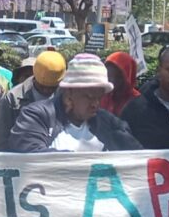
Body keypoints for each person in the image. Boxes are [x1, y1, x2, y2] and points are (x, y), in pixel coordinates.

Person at [10, 53, 141, 152]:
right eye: (89, 96)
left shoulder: (109, 123)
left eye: (99, 97)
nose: (95, 104)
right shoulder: (37, 117)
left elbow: (136, 156)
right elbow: (27, 157)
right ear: (68, 93)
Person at [0, 51, 66, 151]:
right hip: (22, 161)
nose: (46, 90)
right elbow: (2, 140)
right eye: (42, 86)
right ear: (35, 75)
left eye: (52, 87)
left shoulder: (68, 97)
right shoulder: (13, 97)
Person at [100, 51, 140, 116]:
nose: (112, 80)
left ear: (129, 77)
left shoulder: (137, 102)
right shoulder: (100, 96)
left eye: (118, 77)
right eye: (109, 76)